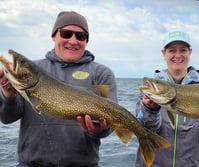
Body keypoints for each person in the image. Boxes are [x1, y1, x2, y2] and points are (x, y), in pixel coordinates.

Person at [0, 11, 118, 167]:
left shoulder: (102, 73)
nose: (73, 41)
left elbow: (109, 127)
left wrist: (97, 130)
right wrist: (9, 96)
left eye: (80, 36)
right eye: (66, 33)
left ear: (86, 41)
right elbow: (7, 118)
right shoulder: (36, 69)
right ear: (54, 36)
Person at [135, 29, 199, 167]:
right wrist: (150, 110)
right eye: (172, 50)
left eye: (183, 50)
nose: (177, 55)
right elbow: (144, 130)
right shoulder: (147, 91)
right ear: (164, 53)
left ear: (189, 52)